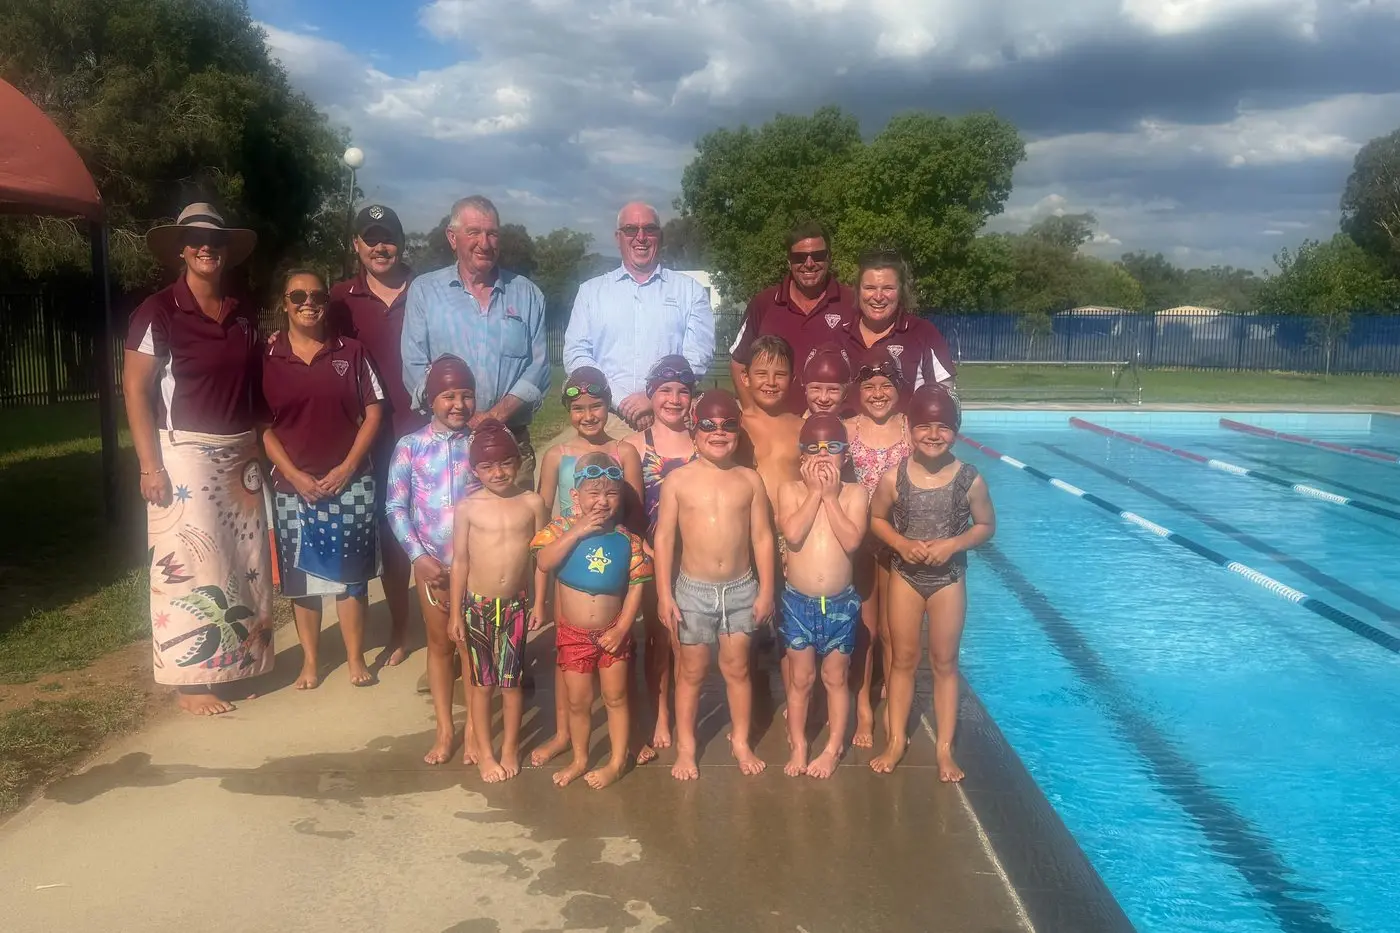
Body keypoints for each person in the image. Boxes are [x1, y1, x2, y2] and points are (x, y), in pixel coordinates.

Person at [122, 203, 273, 716]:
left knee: (243, 563)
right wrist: (149, 465)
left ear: (227, 250)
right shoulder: (158, 311)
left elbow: (253, 385)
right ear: (181, 250)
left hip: (239, 453)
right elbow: (135, 389)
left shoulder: (243, 310)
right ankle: (191, 682)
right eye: (196, 240)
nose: (207, 246)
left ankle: (235, 666)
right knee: (189, 563)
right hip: (182, 452)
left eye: (216, 239)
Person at [262, 270, 386, 690]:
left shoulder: (350, 353)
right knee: (302, 581)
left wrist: (349, 466)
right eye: (297, 296)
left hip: (349, 483)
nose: (308, 302)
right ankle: (311, 663)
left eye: (316, 295)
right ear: (284, 303)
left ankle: (354, 659)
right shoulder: (267, 357)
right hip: (291, 487)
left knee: (351, 576)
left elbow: (374, 411)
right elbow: (261, 426)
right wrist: (294, 475)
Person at [869, 384, 996, 781]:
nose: (934, 434)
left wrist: (955, 544)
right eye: (924, 426)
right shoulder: (894, 479)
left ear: (956, 429)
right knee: (903, 660)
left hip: (949, 580)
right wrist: (902, 544)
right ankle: (894, 740)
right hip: (906, 578)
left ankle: (944, 749)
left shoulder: (969, 480)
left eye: (943, 426)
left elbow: (987, 526)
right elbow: (876, 521)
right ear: (909, 428)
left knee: (944, 663)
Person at [654, 390, 777, 780]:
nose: (718, 432)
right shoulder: (677, 480)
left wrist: (767, 590)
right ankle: (686, 746)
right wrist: (663, 595)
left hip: (741, 589)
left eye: (727, 426)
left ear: (738, 434)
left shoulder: (749, 480)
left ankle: (740, 740)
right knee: (691, 671)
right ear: (694, 431)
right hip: (692, 590)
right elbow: (664, 541)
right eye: (709, 425)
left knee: (738, 668)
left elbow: (762, 538)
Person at [529, 367, 646, 769]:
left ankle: (627, 739)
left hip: (611, 560)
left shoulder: (625, 451)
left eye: (596, 406)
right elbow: (542, 513)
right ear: (567, 410)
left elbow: (632, 510)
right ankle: (564, 734)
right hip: (568, 560)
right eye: (578, 408)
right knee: (569, 657)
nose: (589, 415)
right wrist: (539, 588)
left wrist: (631, 562)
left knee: (618, 652)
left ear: (608, 404)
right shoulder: (557, 456)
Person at [328, 204, 422, 667]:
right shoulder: (339, 300)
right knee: (390, 535)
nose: (381, 246)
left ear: (402, 243)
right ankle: (402, 631)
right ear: (356, 246)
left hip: (427, 431)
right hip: (371, 437)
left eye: (389, 237)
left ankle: (451, 630)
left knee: (444, 531)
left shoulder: (429, 290)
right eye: (371, 238)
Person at [401, 195, 549, 487]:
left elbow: (540, 367)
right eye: (474, 232)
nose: (485, 242)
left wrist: (494, 417)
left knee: (516, 531)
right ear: (452, 237)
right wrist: (462, 418)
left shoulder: (528, 294)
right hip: (446, 446)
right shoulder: (425, 292)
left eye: (492, 233)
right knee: (447, 532)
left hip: (510, 449)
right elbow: (414, 365)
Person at [386, 355, 481, 765]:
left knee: (475, 649)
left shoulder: (483, 443)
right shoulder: (411, 446)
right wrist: (417, 556)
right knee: (441, 645)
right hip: (433, 567)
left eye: (466, 395)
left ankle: (476, 728)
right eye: (448, 396)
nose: (458, 404)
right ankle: (445, 728)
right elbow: (395, 507)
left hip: (479, 568)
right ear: (431, 399)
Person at [447, 420, 548, 784]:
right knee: (482, 683)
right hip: (477, 607)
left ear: (518, 462)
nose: (498, 472)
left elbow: (541, 557)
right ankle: (486, 753)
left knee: (511, 683)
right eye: (488, 466)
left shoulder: (532, 502)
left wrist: (540, 603)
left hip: (516, 607)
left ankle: (509, 748)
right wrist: (456, 612)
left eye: (506, 463)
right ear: (475, 470)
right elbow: (460, 562)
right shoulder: (468, 508)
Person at [560, 202, 714, 437]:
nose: (641, 237)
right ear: (618, 237)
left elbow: (697, 356)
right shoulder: (591, 292)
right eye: (631, 229)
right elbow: (576, 354)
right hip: (607, 422)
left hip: (671, 422)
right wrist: (621, 400)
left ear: (659, 237)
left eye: (649, 229)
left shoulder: (690, 291)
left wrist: (654, 396)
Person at [774, 415, 868, 779]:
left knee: (835, 678)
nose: (824, 457)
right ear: (801, 457)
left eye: (833, 450)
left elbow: (852, 540)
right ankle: (799, 743)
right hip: (798, 603)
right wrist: (815, 492)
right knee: (801, 680)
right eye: (814, 450)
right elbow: (793, 533)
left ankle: (832, 748)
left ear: (845, 457)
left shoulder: (855, 493)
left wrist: (831, 497)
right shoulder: (789, 490)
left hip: (840, 604)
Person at [621, 355, 698, 752]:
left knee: (688, 643)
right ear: (650, 395)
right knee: (658, 639)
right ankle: (660, 713)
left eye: (683, 391)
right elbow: (631, 512)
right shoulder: (635, 446)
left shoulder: (706, 440)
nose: (674, 399)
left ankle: (683, 714)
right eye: (665, 390)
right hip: (653, 555)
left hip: (697, 562)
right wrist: (650, 553)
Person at [843, 345, 912, 748]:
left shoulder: (911, 428)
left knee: (893, 630)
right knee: (867, 629)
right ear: (858, 390)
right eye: (869, 386)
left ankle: (893, 703)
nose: (878, 393)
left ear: (899, 387)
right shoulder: (847, 428)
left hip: (899, 544)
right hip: (859, 543)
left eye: (886, 385)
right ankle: (865, 708)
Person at [729, 220, 855, 413]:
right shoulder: (763, 303)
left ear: (829, 257)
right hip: (777, 427)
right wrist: (751, 413)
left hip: (838, 428)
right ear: (789, 261)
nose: (809, 264)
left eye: (818, 256)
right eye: (800, 257)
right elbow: (738, 361)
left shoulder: (852, 302)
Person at [839, 249, 955, 391]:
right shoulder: (840, 335)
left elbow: (945, 401)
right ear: (858, 290)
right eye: (870, 288)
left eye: (888, 288)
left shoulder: (924, 333)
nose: (878, 296)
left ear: (901, 291)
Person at [737, 335, 803, 506]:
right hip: (750, 528)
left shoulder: (802, 428)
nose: (771, 382)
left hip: (793, 526)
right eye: (761, 374)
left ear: (792, 379)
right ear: (745, 378)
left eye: (780, 375)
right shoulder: (736, 426)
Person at [802, 343, 853, 417]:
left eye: (833, 389)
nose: (823, 398)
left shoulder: (853, 428)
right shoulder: (793, 427)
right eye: (816, 388)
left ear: (846, 392)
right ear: (805, 387)